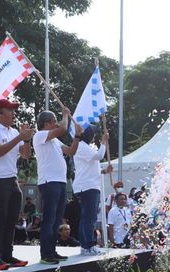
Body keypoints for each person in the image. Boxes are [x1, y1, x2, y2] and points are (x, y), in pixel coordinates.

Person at [0, 98, 34, 270]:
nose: (13, 113)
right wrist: (20, 136)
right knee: (0, 218)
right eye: (9, 110)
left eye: (13, 110)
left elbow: (26, 156)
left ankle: (7, 255)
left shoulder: (13, 131)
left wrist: (26, 140)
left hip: (11, 179)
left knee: (12, 219)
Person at [33, 108, 81, 264]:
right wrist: (65, 114)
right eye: (54, 121)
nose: (56, 123)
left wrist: (78, 136)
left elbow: (71, 151)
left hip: (59, 182)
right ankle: (45, 253)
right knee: (49, 219)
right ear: (47, 123)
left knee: (56, 220)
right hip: (49, 182)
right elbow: (62, 129)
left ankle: (52, 250)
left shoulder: (54, 140)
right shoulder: (40, 135)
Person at [72, 125, 112, 255]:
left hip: (88, 185)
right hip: (88, 186)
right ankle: (88, 245)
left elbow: (90, 167)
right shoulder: (82, 146)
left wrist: (104, 171)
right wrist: (104, 141)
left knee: (86, 217)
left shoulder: (84, 147)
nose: (94, 136)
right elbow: (99, 156)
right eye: (93, 134)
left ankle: (85, 245)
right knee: (90, 217)